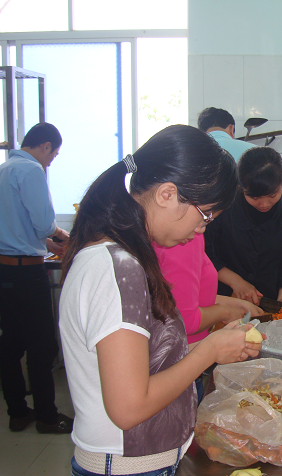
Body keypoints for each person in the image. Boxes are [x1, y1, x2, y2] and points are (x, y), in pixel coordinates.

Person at [59, 125, 262, 476]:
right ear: (167, 194)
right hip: (127, 467)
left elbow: (147, 360)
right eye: (205, 215)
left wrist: (216, 346)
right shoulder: (118, 268)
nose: (202, 229)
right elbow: (129, 407)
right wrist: (208, 351)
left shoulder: (126, 258)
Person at [0, 122, 73, 434]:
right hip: (27, 273)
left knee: (11, 344)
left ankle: (17, 412)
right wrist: (62, 235)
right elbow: (44, 222)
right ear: (45, 146)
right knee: (41, 346)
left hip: (4, 270)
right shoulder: (31, 170)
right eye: (53, 155)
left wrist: (44, 243)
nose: (50, 162)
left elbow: (13, 223)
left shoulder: (4, 169)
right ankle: (47, 417)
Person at [153, 229, 263, 402]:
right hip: (178, 369)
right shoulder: (182, 237)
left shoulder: (190, 234)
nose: (203, 227)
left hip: (189, 363)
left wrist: (233, 304)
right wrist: (225, 312)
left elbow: (184, 297)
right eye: (206, 217)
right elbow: (186, 320)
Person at [205, 146, 282, 307]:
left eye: (272, 195)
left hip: (269, 300)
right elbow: (204, 253)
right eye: (254, 197)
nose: (264, 204)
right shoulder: (223, 207)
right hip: (223, 300)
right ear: (241, 187)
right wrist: (236, 282)